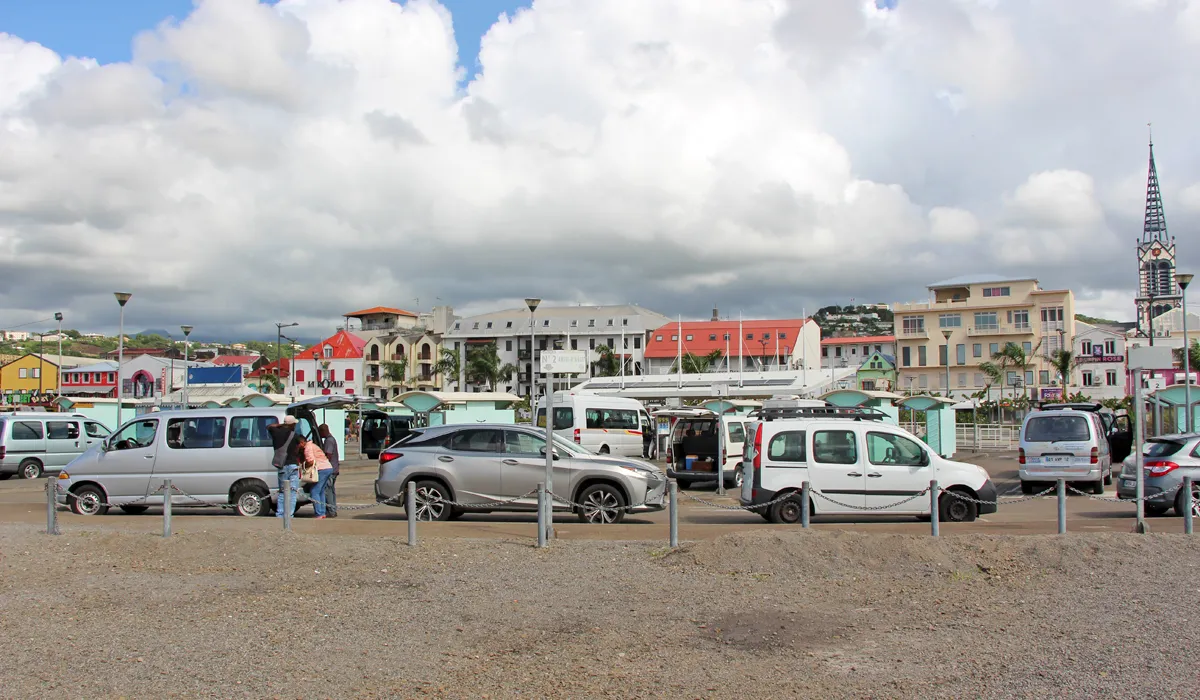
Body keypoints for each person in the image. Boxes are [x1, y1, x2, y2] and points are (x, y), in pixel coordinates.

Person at [266, 415, 303, 519]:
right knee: (292, 492)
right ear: (292, 425)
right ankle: (289, 515)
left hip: (281, 465)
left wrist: (281, 424)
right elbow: (298, 448)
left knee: (282, 492)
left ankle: (280, 514)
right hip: (292, 465)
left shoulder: (275, 433)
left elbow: (269, 426)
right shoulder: (294, 435)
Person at [298, 433, 334, 519]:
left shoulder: (307, 448)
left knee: (314, 491)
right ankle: (322, 512)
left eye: (298, 444)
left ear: (302, 442)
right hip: (328, 467)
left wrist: (303, 466)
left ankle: (319, 513)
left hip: (321, 468)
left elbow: (310, 461)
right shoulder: (313, 445)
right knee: (321, 491)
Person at [318, 424, 340, 518]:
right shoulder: (331, 439)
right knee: (331, 490)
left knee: (328, 491)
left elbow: (328, 454)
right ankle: (332, 509)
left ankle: (331, 510)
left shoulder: (329, 441)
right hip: (334, 468)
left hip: (330, 469)